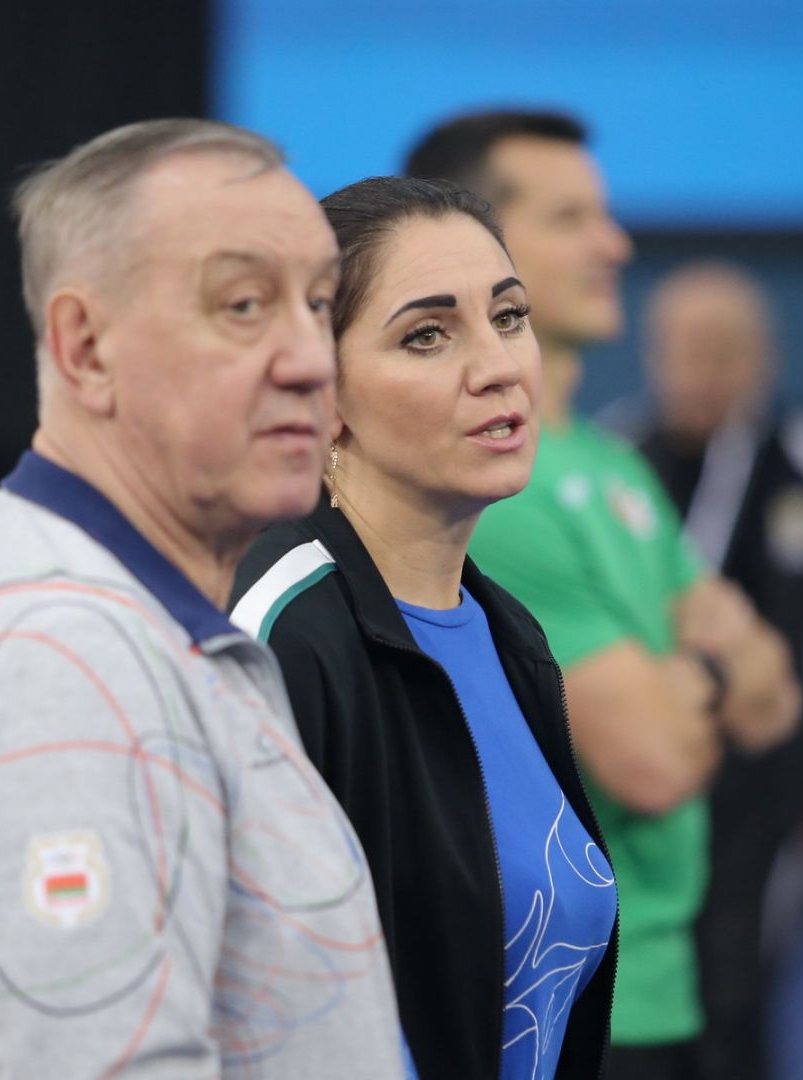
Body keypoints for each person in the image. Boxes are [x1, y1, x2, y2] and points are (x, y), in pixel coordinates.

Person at [0, 120, 405, 1077]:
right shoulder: (52, 662)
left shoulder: (119, 627)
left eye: (318, 304)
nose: (312, 359)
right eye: (243, 305)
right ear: (85, 347)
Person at [407, 111, 801, 1080]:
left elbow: (777, 701)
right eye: (573, 218)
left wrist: (684, 680)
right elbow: (656, 762)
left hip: (668, 984)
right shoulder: (504, 495)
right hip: (573, 1010)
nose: (614, 244)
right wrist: (712, 657)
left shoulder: (611, 468)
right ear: (481, 246)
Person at [231, 177, 617, 1079]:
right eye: (428, 335)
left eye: (509, 316)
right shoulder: (275, 640)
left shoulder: (507, 632)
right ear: (320, 394)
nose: (498, 365)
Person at [618, 262, 803, 1080]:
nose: (703, 367)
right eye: (684, 346)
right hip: (643, 767)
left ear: (764, 355)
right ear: (652, 351)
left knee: (742, 973)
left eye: (724, 346)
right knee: (648, 971)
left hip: (771, 775)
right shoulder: (612, 456)